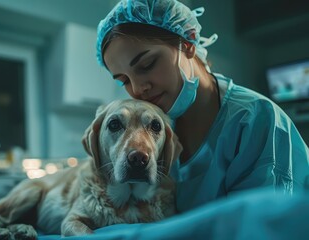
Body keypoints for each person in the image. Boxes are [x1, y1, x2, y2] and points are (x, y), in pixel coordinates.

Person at [95, 0, 309, 213]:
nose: (138, 89)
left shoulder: (257, 121)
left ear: (188, 42)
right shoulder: (155, 128)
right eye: (124, 80)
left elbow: (260, 226)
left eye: (147, 64)